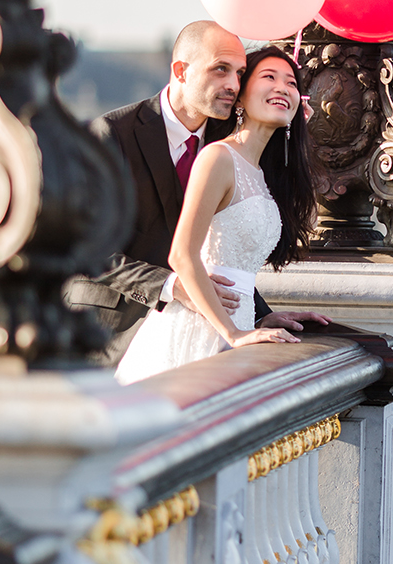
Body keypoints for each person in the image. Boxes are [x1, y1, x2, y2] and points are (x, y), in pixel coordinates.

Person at [66, 23, 313, 363]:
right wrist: (171, 286)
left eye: (240, 73)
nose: (232, 84)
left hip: (199, 332)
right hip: (107, 332)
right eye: (220, 70)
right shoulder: (111, 134)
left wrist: (258, 314)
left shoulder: (228, 143)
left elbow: (221, 247)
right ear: (181, 71)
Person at [115, 46, 321, 383]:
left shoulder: (262, 172)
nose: (283, 88)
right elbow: (182, 255)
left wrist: (259, 318)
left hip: (239, 321)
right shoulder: (218, 158)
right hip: (199, 326)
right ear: (240, 98)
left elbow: (236, 264)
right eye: (269, 77)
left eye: (292, 83)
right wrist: (233, 333)